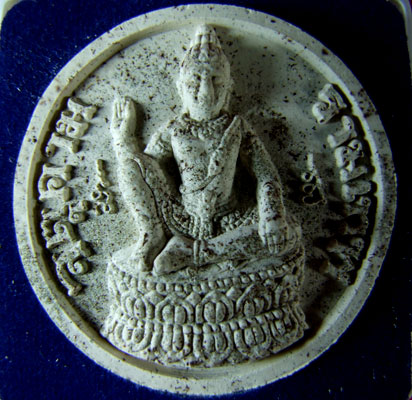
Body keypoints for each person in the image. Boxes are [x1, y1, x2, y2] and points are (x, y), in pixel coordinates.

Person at [110, 25, 301, 276]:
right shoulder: (174, 129)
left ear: (229, 87)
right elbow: (145, 170)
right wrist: (123, 140)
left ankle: (195, 252)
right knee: (130, 163)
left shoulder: (237, 127)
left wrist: (271, 213)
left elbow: (265, 174)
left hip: (231, 219)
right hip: (181, 216)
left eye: (216, 82)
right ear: (180, 87)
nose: (205, 93)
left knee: (289, 230)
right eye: (194, 82)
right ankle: (152, 235)